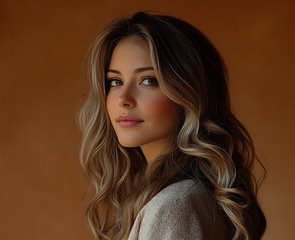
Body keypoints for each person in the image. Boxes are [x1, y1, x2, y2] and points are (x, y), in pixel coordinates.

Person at [78, 12, 266, 240]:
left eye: (148, 80)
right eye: (115, 82)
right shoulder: (186, 197)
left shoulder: (173, 205)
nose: (123, 98)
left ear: (189, 93)